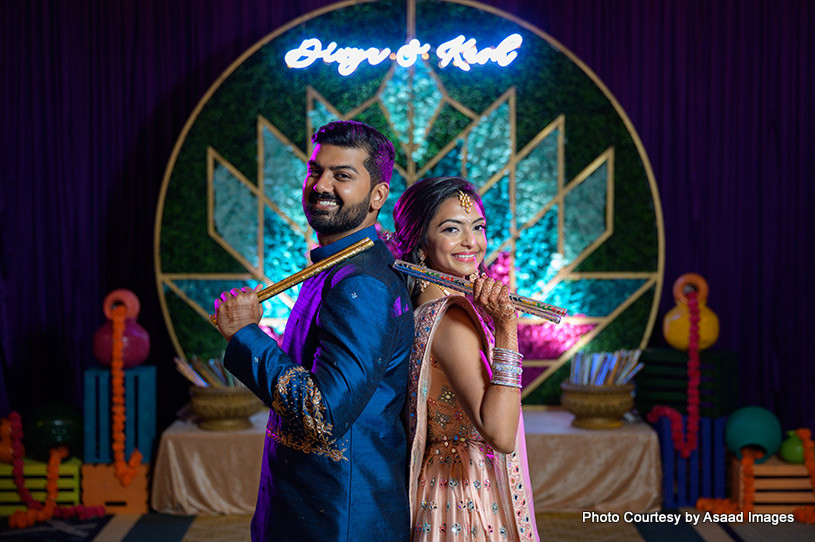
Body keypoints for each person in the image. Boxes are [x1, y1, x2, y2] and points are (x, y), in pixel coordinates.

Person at [214, 120, 414, 541]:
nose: (321, 185)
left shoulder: (362, 283)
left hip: (341, 517)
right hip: (306, 503)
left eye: (343, 175)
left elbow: (322, 414)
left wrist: (247, 335)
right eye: (315, 171)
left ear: (378, 194)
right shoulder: (335, 266)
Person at [389, 176, 539, 541]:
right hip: (465, 496)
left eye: (478, 227)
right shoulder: (452, 319)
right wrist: (506, 328)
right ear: (421, 244)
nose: (472, 242)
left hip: (442, 485)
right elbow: (500, 433)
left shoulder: (424, 308)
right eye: (452, 229)